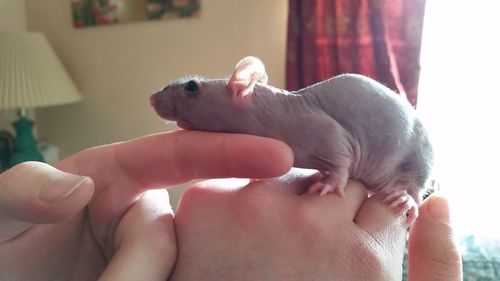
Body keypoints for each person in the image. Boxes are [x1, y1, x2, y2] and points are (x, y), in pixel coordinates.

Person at [0, 57, 462, 280]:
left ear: (241, 87)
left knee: (412, 170)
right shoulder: (272, 133)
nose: (173, 100)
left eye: (192, 89)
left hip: (404, 161)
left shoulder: (286, 116)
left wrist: (338, 177)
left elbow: (336, 142)